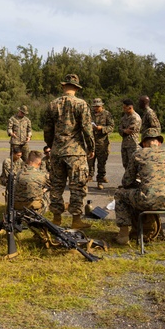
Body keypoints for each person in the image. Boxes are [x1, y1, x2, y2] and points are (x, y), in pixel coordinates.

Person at [113, 128, 165, 244]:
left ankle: (123, 234)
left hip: (145, 200)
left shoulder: (138, 154)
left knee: (119, 194)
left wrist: (139, 185)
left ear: (144, 144)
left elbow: (126, 182)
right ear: (159, 143)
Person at [42, 73, 95, 229]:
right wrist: (91, 147)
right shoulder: (81, 104)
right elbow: (87, 129)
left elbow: (47, 130)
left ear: (64, 86)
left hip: (57, 152)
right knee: (77, 186)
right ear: (76, 88)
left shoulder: (52, 104)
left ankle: (56, 218)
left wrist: (52, 144)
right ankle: (76, 220)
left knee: (57, 186)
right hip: (76, 153)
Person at [88, 98, 114, 189]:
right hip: (91, 142)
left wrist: (102, 128)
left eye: (97, 107)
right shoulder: (90, 114)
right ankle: (89, 176)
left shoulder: (107, 114)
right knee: (90, 161)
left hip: (102, 142)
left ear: (101, 106)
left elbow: (111, 127)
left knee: (101, 162)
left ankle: (100, 180)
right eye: (94, 106)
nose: (96, 108)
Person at [118, 99, 142, 171]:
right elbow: (119, 129)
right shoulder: (124, 117)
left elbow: (130, 130)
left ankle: (135, 181)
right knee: (125, 164)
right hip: (125, 144)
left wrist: (123, 130)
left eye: (124, 107)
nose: (123, 109)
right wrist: (124, 130)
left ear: (130, 108)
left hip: (133, 144)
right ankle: (128, 180)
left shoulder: (135, 118)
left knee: (133, 165)